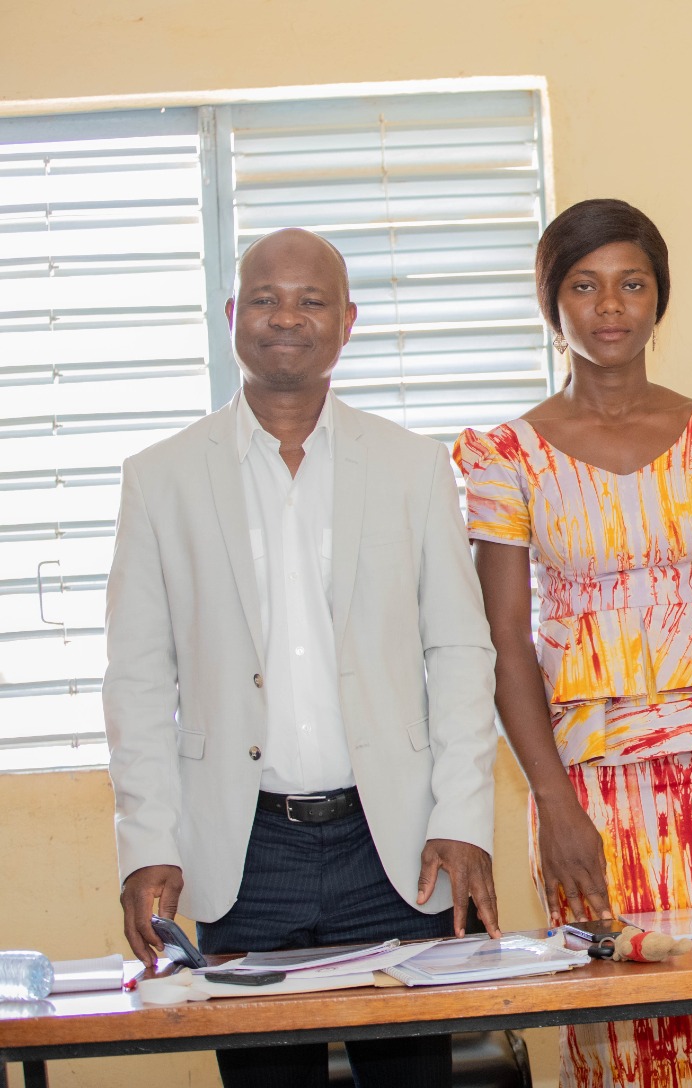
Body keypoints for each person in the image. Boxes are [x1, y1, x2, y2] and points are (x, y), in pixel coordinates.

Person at [105, 228, 501, 1087]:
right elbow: (138, 679)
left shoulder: (413, 467)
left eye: (311, 300)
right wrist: (147, 843)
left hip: (393, 849)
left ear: (347, 321)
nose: (287, 317)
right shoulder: (160, 477)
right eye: (265, 299)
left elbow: (462, 651)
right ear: (231, 316)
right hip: (243, 855)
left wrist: (463, 816)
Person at [454, 198, 692, 1088]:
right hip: (583, 788)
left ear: (658, 300)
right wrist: (552, 801)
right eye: (585, 286)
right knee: (611, 1019)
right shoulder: (506, 456)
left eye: (631, 284)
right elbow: (503, 641)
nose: (610, 307)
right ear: (552, 304)